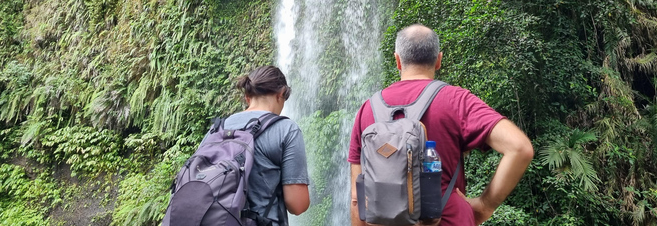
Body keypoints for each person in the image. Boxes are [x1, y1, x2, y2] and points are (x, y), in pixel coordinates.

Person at [348, 24, 534, 226]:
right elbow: (519, 148)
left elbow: (357, 199)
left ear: (398, 61)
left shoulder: (367, 109)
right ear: (439, 60)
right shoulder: (455, 100)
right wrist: (483, 206)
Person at [224, 65, 310, 224]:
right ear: (281, 94)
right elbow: (297, 205)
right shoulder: (286, 129)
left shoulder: (220, 127)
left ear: (247, 97)